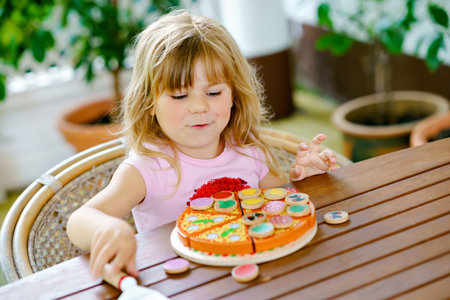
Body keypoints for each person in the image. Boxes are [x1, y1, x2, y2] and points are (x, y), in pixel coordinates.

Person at [67, 10, 337, 279]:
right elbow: (79, 221)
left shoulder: (249, 151)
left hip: (255, 277)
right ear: (149, 103)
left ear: (234, 94)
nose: (199, 106)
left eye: (213, 92)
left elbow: (281, 211)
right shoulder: (146, 169)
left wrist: (305, 182)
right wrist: (107, 228)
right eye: (180, 95)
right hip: (180, 285)